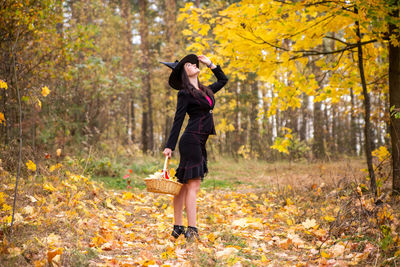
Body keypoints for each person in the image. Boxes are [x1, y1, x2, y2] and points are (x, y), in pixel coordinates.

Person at [160, 54, 228, 241]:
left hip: (199, 140)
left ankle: (177, 227)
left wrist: (211, 64)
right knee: (194, 184)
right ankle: (192, 229)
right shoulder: (184, 93)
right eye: (189, 65)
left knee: (182, 186)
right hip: (191, 139)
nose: (193, 65)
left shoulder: (206, 90)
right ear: (184, 73)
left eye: (193, 63)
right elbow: (178, 119)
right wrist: (169, 146)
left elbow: (223, 79)